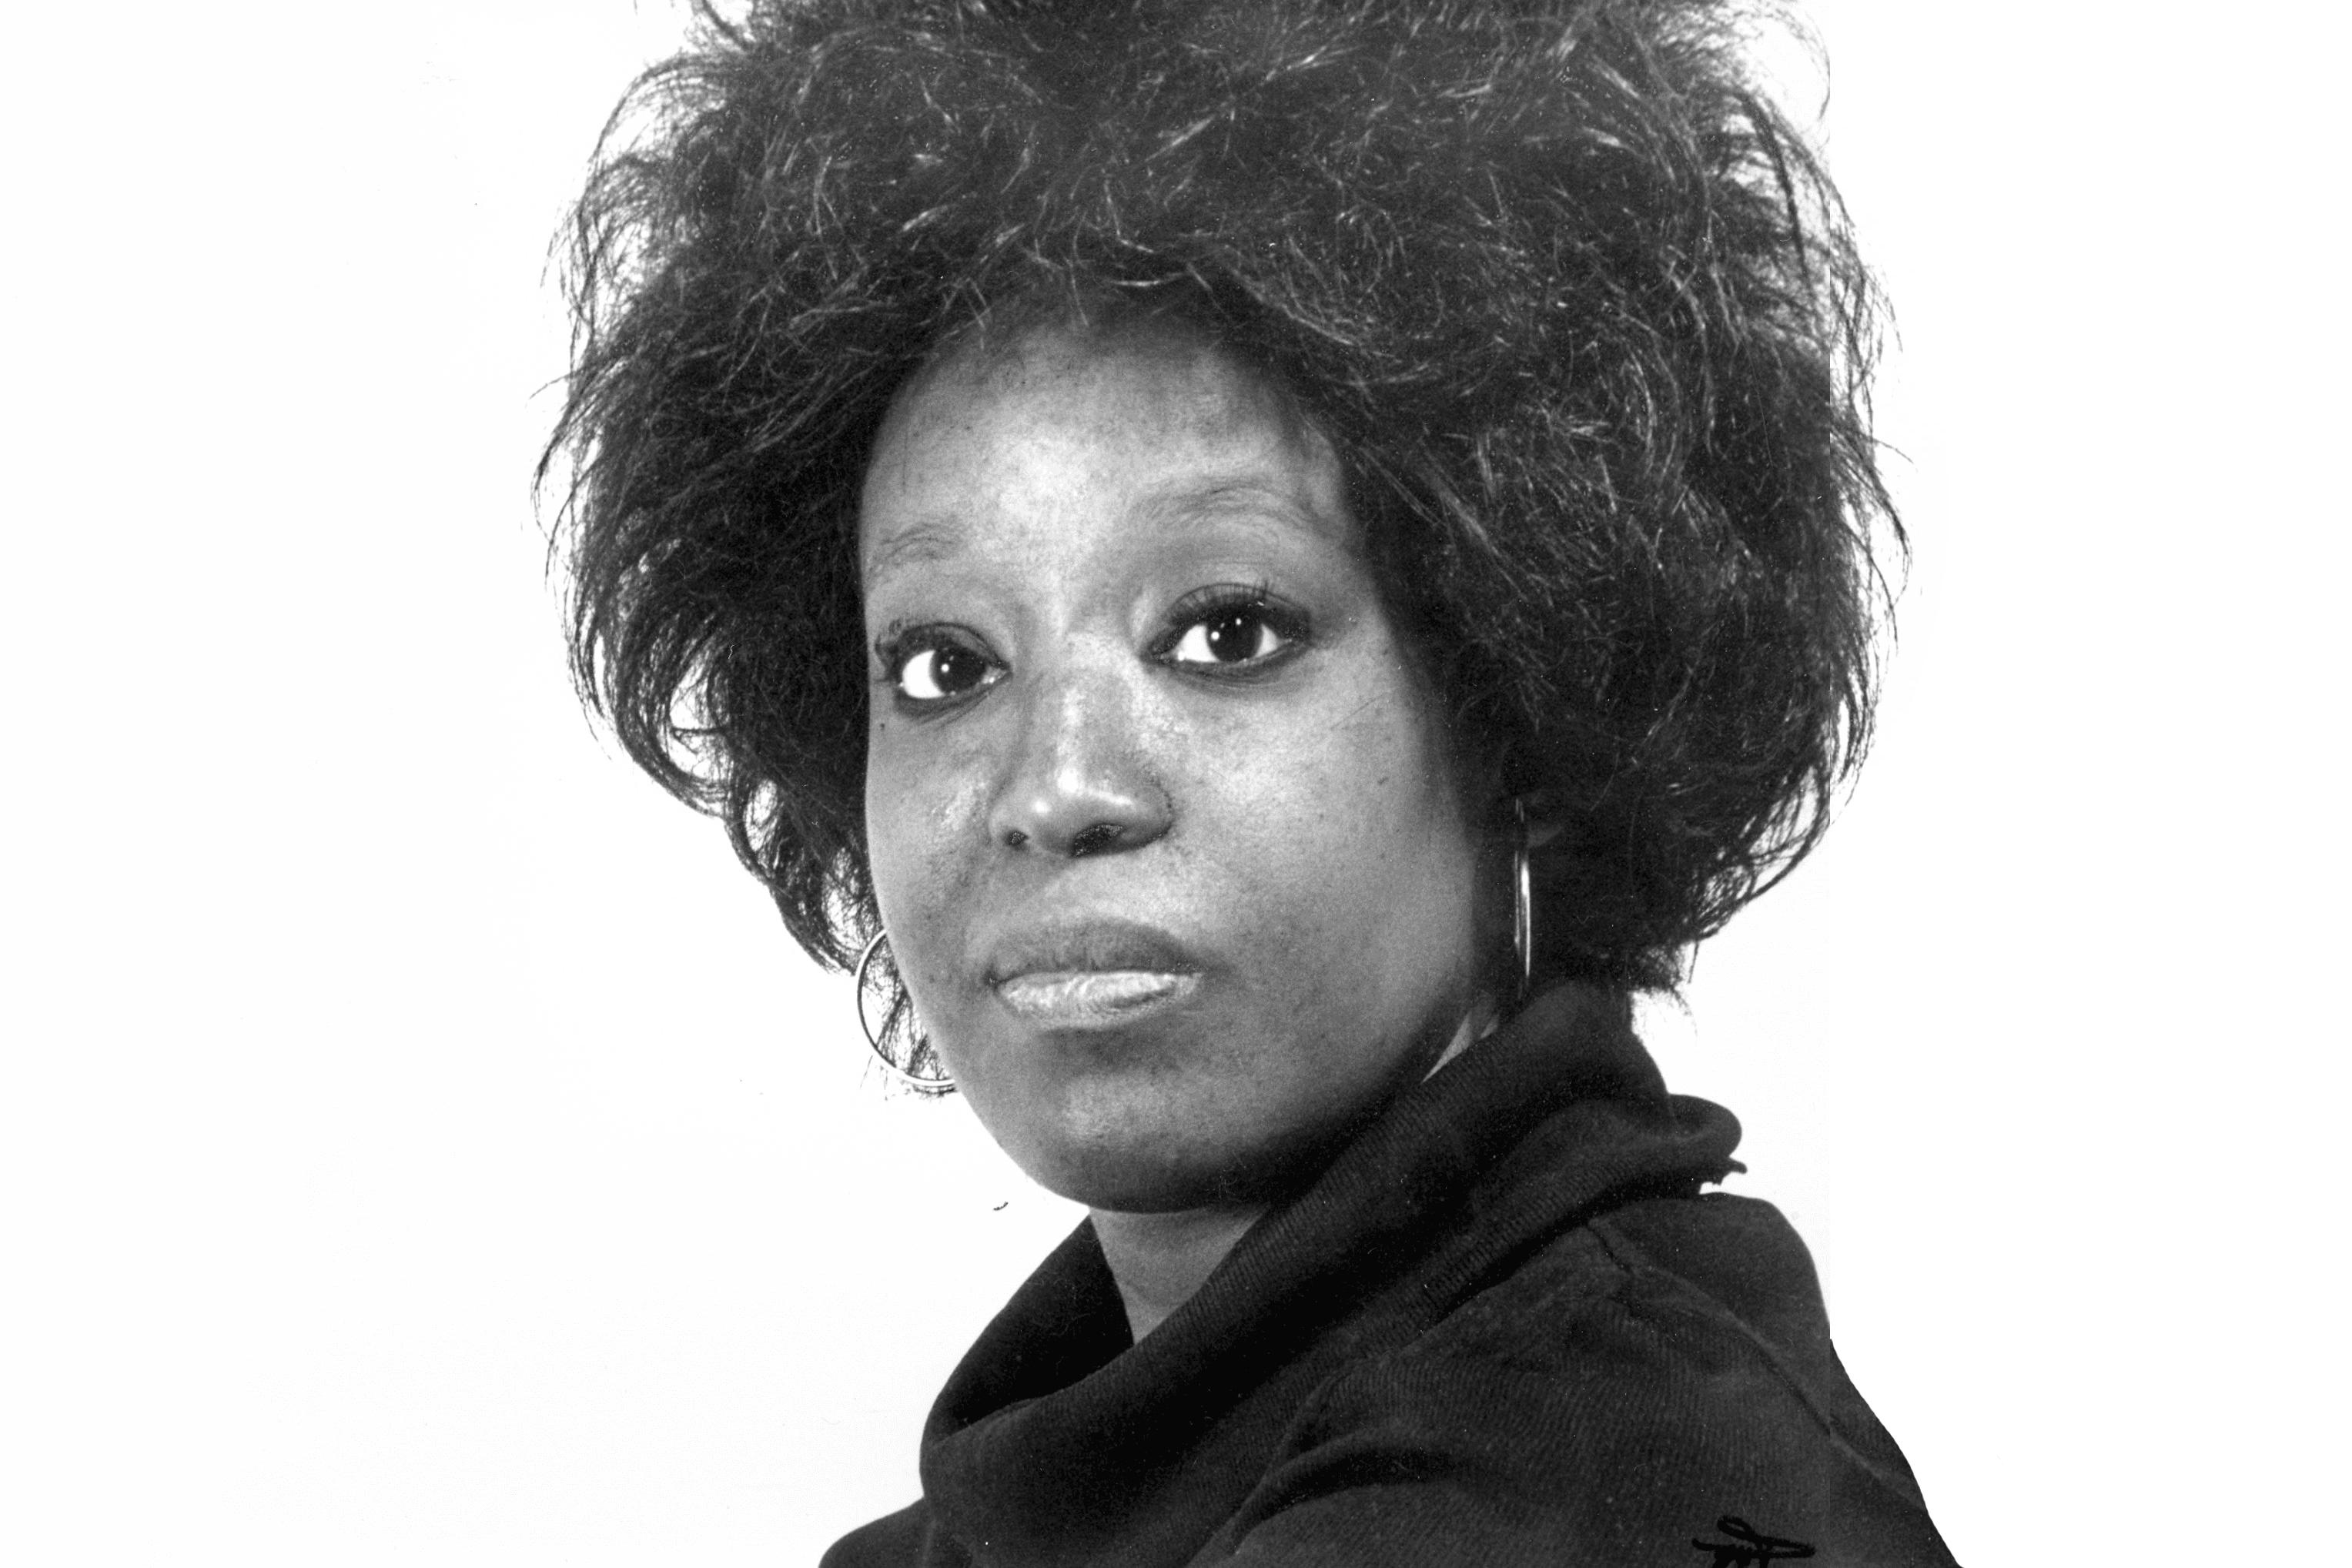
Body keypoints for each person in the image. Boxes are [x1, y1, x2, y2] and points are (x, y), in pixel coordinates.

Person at [544, 0, 1959, 1562]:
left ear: (1529, 704)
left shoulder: (1618, 1477)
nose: (1055, 785)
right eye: (946, 665)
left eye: (1227, 631)